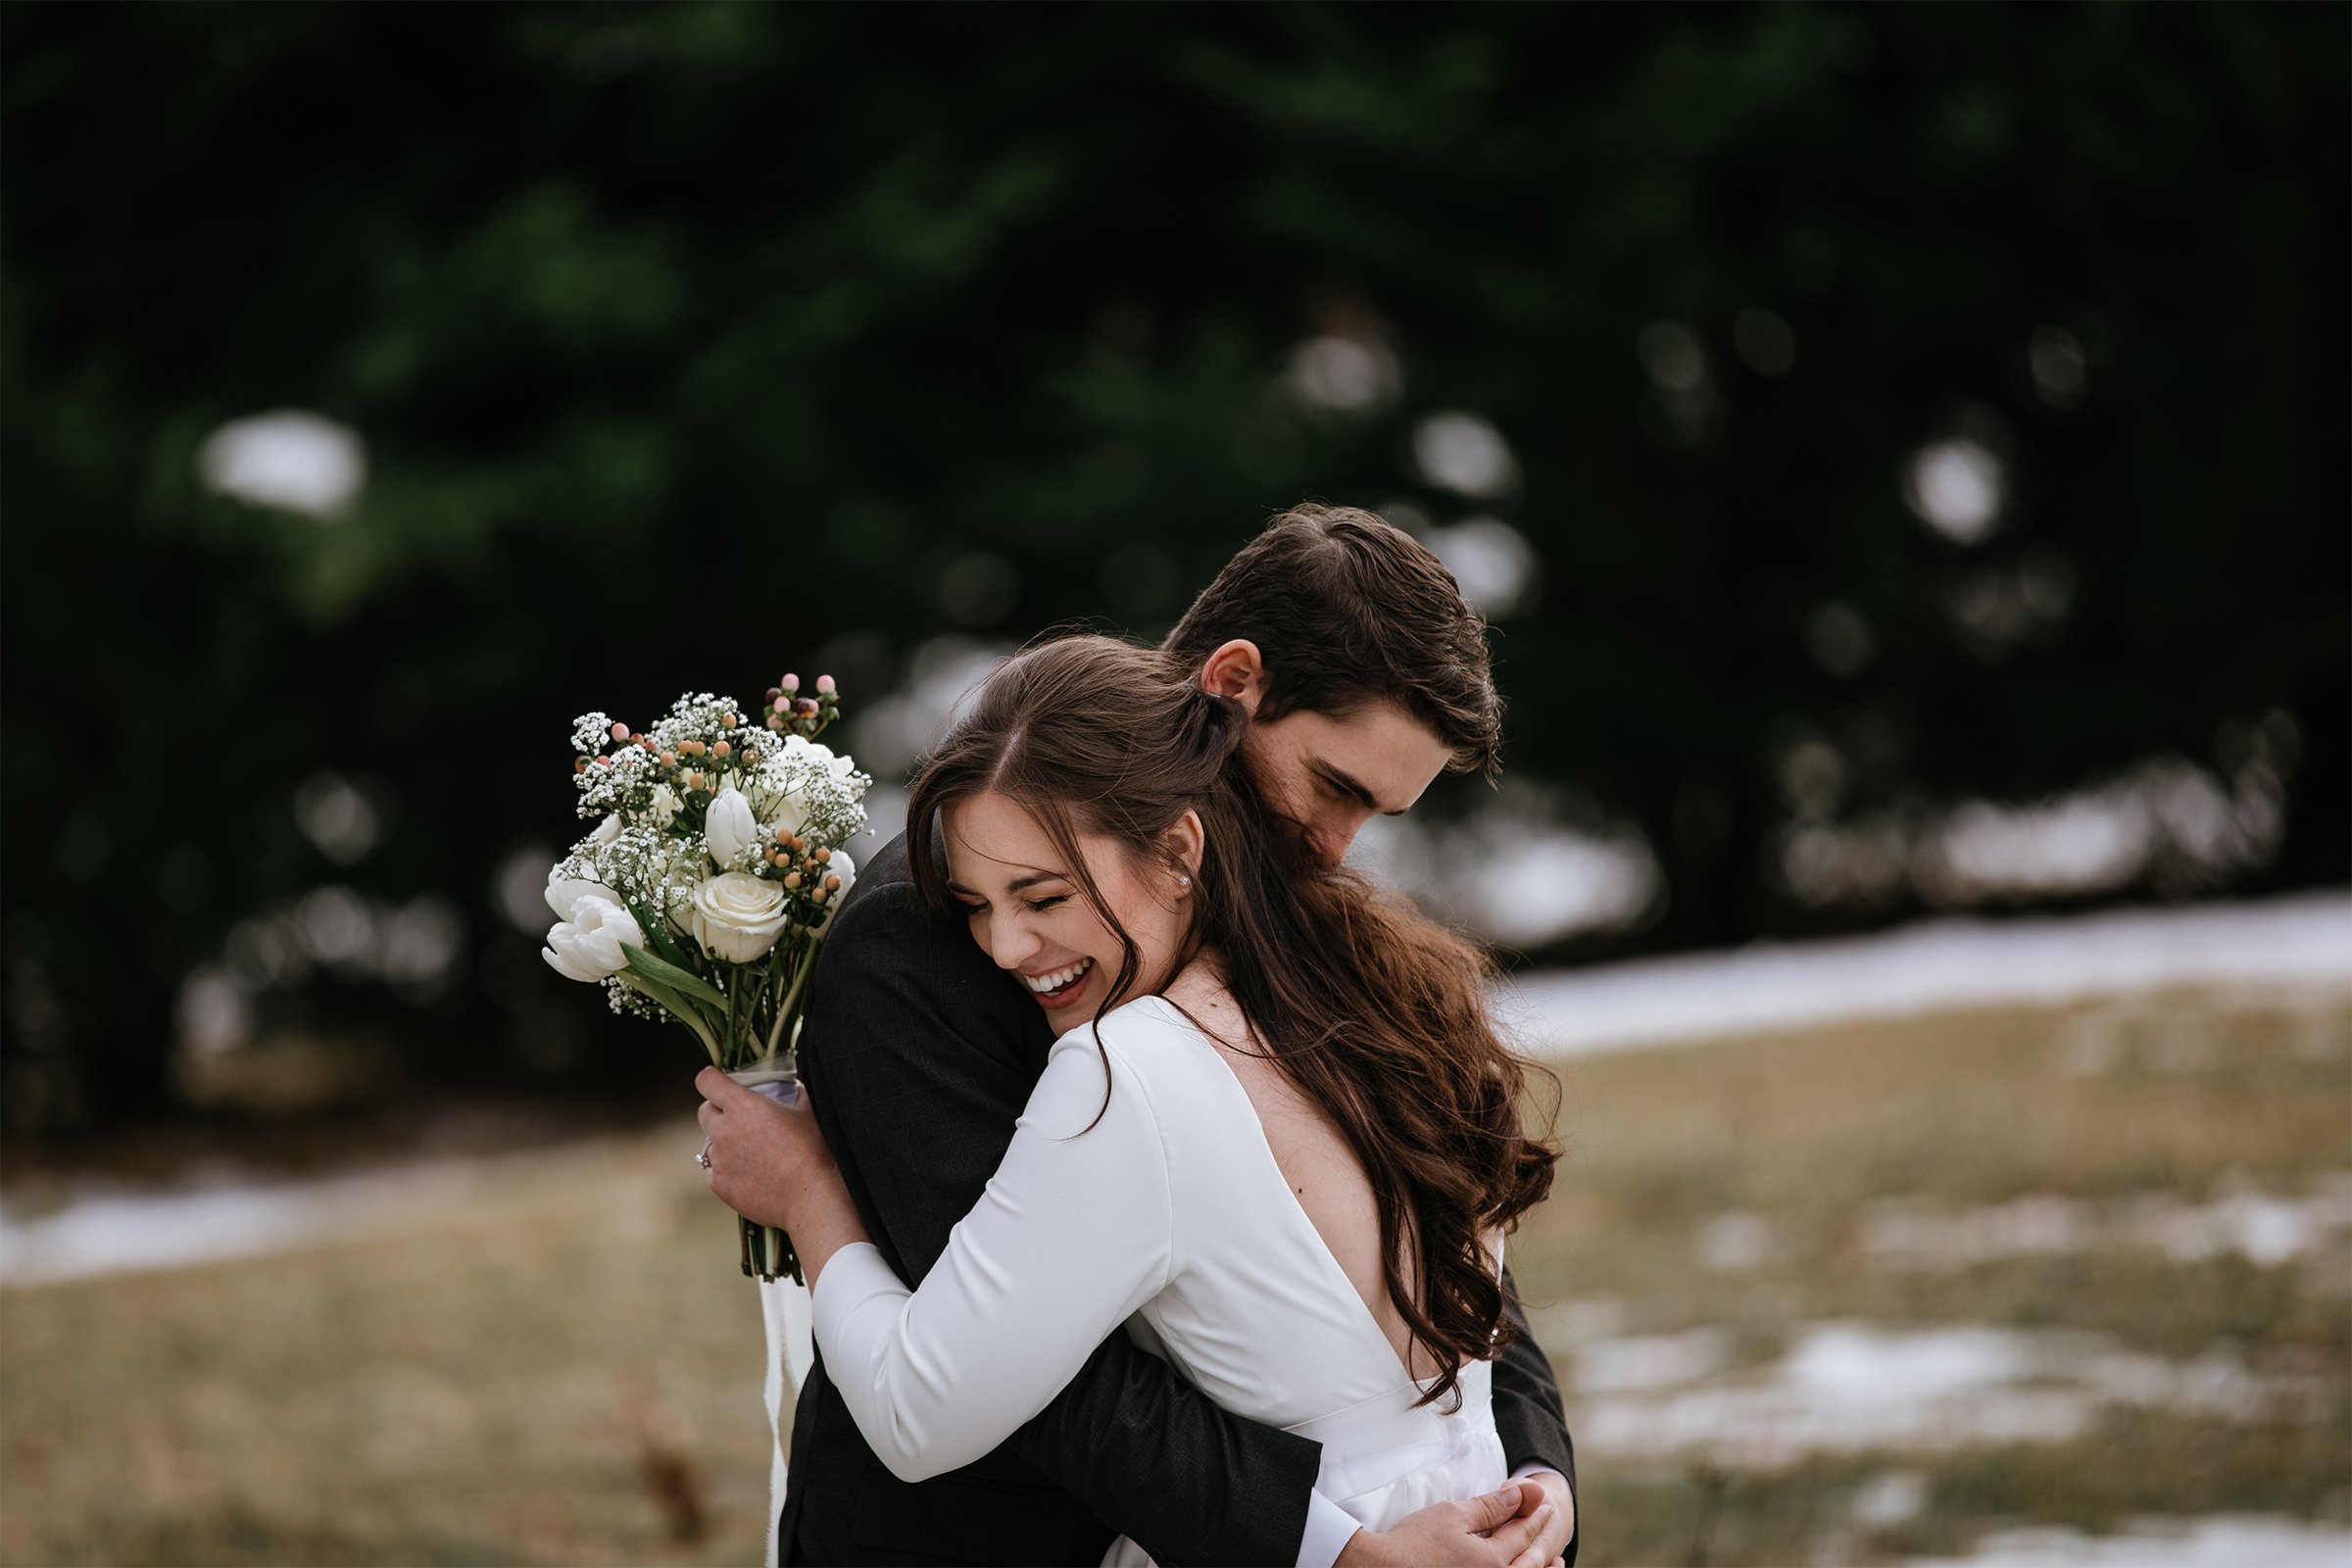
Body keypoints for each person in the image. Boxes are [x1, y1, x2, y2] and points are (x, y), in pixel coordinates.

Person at [702, 507, 1577, 1567]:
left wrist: (1527, 1472)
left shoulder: (1303, 924)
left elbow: (1445, 1223)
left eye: (1375, 816)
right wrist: (1335, 1542)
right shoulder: (914, 952)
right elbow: (1046, 1386)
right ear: (1236, 681)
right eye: (1336, 786)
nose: (1341, 846)